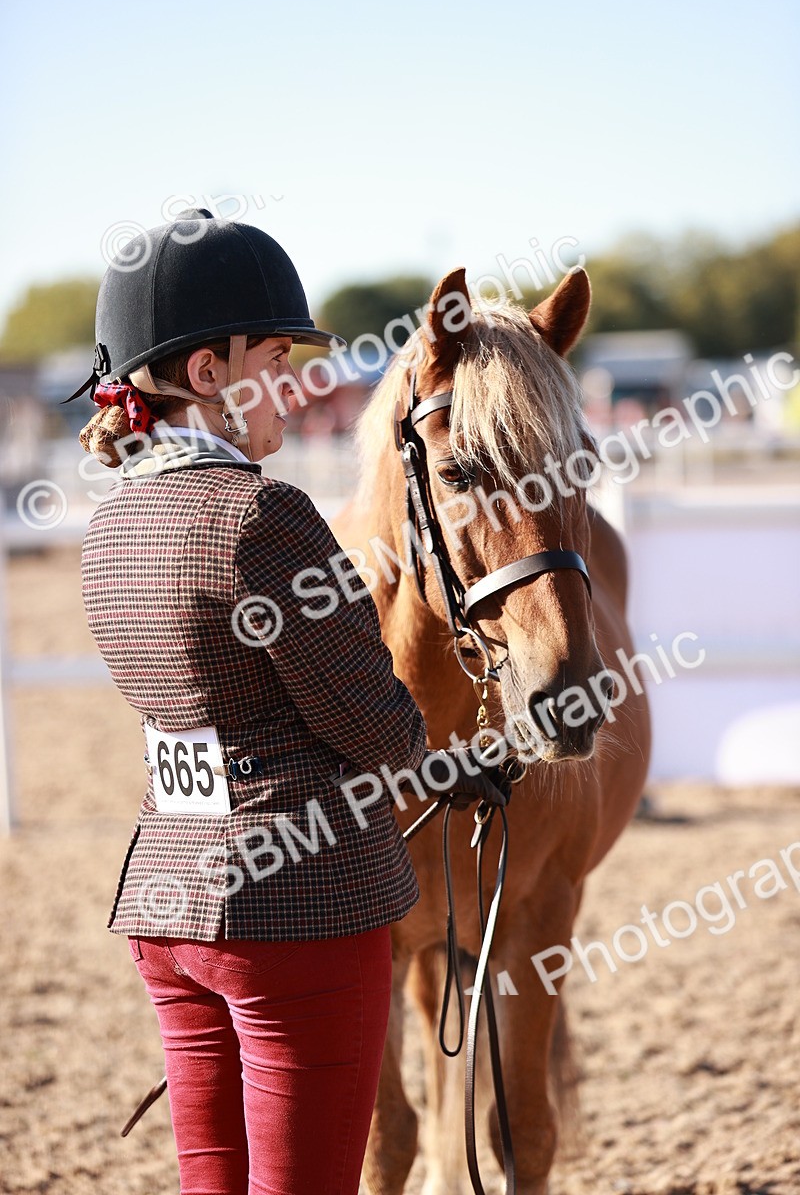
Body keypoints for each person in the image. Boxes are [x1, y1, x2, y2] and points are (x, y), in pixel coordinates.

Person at [76, 208, 506, 1195]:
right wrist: (450, 761)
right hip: (295, 915)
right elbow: (366, 718)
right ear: (207, 372)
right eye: (276, 355)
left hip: (166, 906)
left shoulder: (112, 524)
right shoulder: (262, 514)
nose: (297, 382)